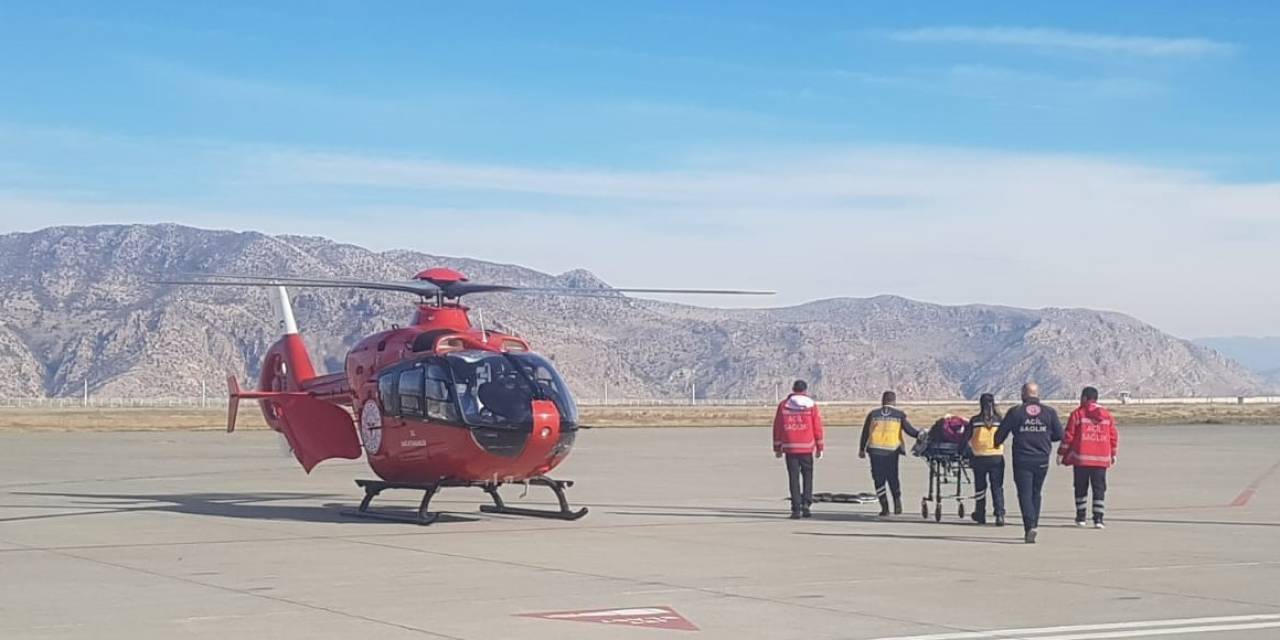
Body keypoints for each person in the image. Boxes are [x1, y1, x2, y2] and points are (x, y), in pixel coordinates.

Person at [995, 382, 1064, 544]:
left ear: (1023, 394)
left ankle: (1029, 526)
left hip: (1022, 458)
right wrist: (1045, 436)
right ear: (1037, 394)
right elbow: (1059, 434)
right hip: (1042, 458)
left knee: (1024, 493)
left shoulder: (1015, 412)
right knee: (1036, 492)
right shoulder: (1049, 412)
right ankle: (1035, 524)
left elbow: (1000, 435)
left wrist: (997, 442)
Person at [1059, 386, 1119, 529]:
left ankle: (1081, 517)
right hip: (1101, 459)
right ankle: (1098, 519)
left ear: (1085, 398)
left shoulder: (1078, 414)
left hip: (1081, 459)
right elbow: (1113, 436)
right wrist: (1113, 453)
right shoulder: (1107, 415)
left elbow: (1069, 435)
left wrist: (1061, 452)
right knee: (1099, 488)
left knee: (1080, 487)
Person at [859, 391, 919, 517]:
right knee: (893, 477)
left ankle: (884, 508)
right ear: (894, 401)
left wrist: (861, 449)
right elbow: (910, 431)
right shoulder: (899, 415)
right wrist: (921, 435)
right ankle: (897, 501)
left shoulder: (873, 414)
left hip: (875, 450)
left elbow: (865, 432)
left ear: (882, 401)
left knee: (879, 479)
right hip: (892, 451)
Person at [773, 380, 825, 519]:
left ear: (793, 389)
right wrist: (820, 446)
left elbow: (778, 427)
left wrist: (777, 447)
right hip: (807, 447)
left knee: (793, 478)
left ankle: (796, 509)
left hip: (790, 448)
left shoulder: (784, 405)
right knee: (808, 477)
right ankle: (806, 505)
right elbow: (817, 427)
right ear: (805, 390)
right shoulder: (811, 406)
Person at [966, 393, 1006, 527]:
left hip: (979, 457)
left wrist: (963, 452)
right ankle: (999, 514)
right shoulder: (999, 420)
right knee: (997, 487)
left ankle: (980, 513)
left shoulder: (975, 420)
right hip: (996, 457)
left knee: (980, 487)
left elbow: (966, 438)